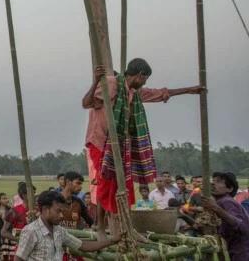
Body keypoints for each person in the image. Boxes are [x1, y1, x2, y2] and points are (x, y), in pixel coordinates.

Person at [81, 60, 203, 223]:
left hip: (120, 145)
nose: (145, 82)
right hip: (101, 140)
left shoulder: (133, 92)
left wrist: (189, 90)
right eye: (145, 79)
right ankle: (103, 227)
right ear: (140, 75)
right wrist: (96, 81)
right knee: (106, 183)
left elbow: (158, 93)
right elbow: (86, 103)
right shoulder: (111, 84)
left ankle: (120, 224)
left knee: (122, 185)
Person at [15, 191, 119, 261]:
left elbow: (84, 246)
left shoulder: (59, 231)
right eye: (58, 211)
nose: (61, 216)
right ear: (46, 209)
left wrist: (112, 240)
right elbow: (19, 259)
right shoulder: (31, 231)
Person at [200, 172, 249, 260]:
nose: (213, 183)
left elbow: (242, 227)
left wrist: (216, 208)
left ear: (229, 189)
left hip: (240, 251)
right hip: (232, 250)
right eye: (213, 181)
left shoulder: (226, 201)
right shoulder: (218, 202)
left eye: (218, 181)